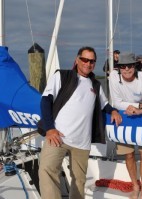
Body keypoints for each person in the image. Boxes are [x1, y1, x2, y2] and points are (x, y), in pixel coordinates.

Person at [38, 46, 122, 199]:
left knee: (79, 181)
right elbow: (45, 100)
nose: (88, 63)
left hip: (82, 142)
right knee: (47, 170)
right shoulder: (62, 76)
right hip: (58, 136)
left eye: (92, 61)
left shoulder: (95, 85)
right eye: (84, 59)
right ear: (77, 60)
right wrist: (50, 129)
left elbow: (104, 104)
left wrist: (114, 111)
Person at [109, 52, 142, 199]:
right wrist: (139, 104)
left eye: (130, 66)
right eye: (122, 66)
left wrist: (141, 109)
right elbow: (117, 103)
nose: (126, 69)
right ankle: (135, 186)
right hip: (124, 118)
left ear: (135, 66)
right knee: (129, 154)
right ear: (118, 67)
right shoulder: (113, 77)